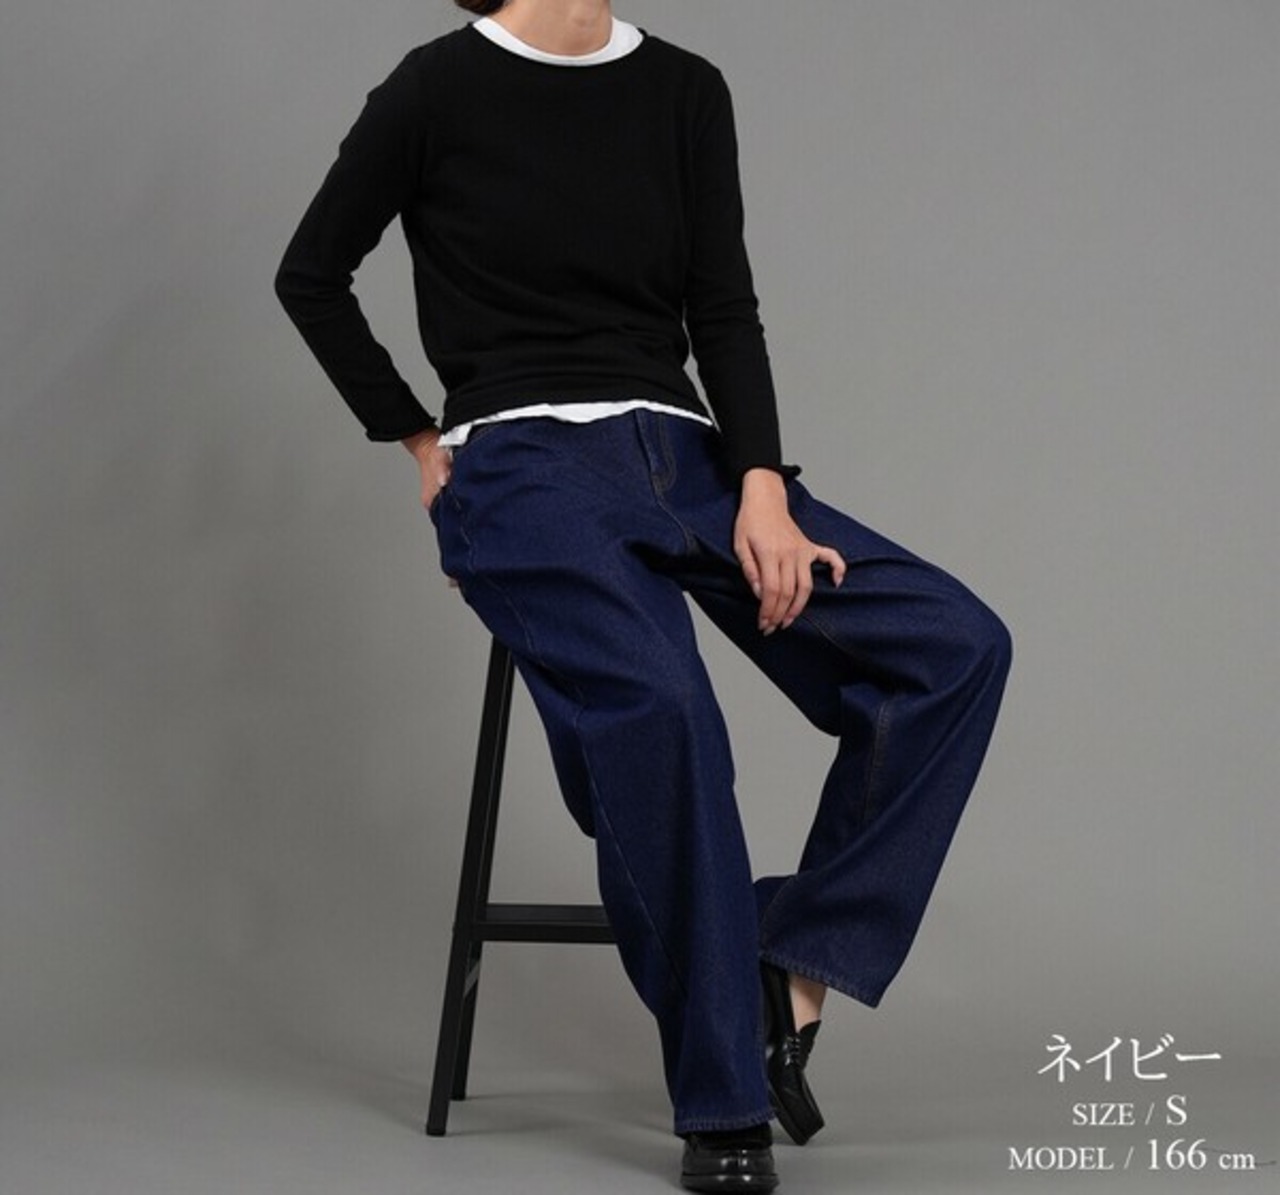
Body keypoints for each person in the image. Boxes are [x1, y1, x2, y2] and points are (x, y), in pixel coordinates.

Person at [275, 1, 1012, 1189]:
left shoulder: (682, 88)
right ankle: (722, 1100)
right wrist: (417, 440)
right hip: (519, 464)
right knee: (664, 711)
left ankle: (790, 963)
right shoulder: (435, 88)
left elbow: (721, 304)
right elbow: (309, 276)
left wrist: (760, 483)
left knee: (952, 647)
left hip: (685, 455)